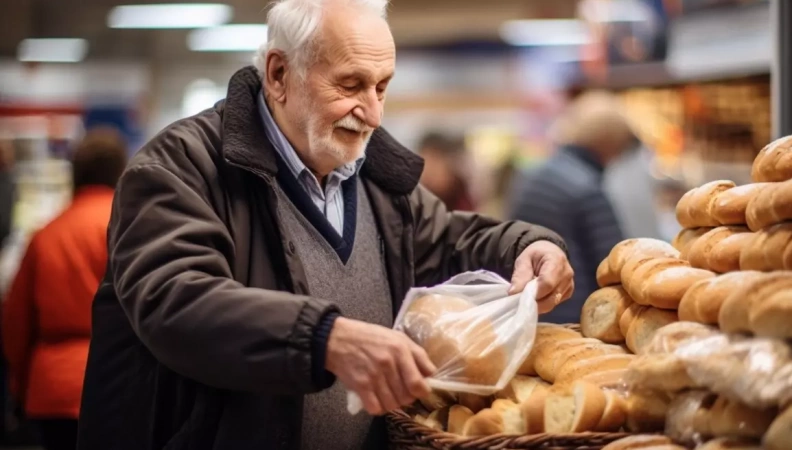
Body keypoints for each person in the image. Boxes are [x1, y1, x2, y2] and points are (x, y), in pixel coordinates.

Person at [77, 1, 575, 449]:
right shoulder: (178, 169)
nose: (375, 113)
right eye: (351, 84)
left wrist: (527, 246)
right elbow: (176, 300)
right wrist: (322, 338)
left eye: (382, 86)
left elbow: (450, 239)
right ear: (278, 74)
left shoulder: (371, 177)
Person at [2, 127, 127, 450]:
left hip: (52, 390)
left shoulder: (46, 236)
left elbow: (15, 324)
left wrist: (18, 386)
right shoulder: (131, 229)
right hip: (119, 383)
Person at [509, 90, 635, 324]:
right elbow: (615, 264)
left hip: (531, 308)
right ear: (610, 143)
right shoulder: (587, 188)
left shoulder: (534, 175)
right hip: (573, 315)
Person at [417, 132, 476, 211]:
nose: (429, 170)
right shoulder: (417, 197)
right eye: (424, 163)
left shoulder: (462, 199)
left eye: (435, 161)